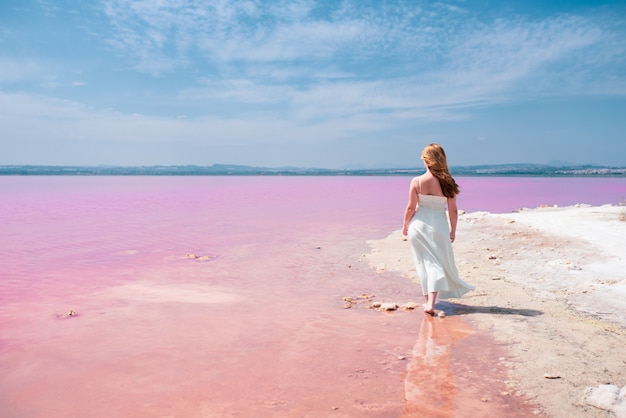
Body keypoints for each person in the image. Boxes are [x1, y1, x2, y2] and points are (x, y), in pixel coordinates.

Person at [402, 143, 474, 315]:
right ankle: (430, 303)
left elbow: (411, 207)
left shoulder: (417, 181)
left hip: (419, 225)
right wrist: (453, 230)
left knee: (423, 263)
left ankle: (429, 302)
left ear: (426, 160)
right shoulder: (448, 183)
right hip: (439, 226)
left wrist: (405, 224)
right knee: (435, 262)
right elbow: (453, 210)